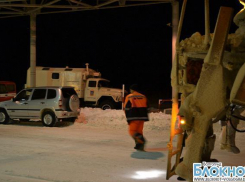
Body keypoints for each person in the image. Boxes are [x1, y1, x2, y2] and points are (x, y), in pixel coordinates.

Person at [123, 84, 149, 151]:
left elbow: (126, 108)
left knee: (132, 131)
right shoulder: (143, 96)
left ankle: (142, 140)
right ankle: (139, 146)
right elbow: (146, 106)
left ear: (132, 89)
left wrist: (128, 117)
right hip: (142, 117)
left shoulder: (129, 97)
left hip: (133, 116)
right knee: (139, 132)